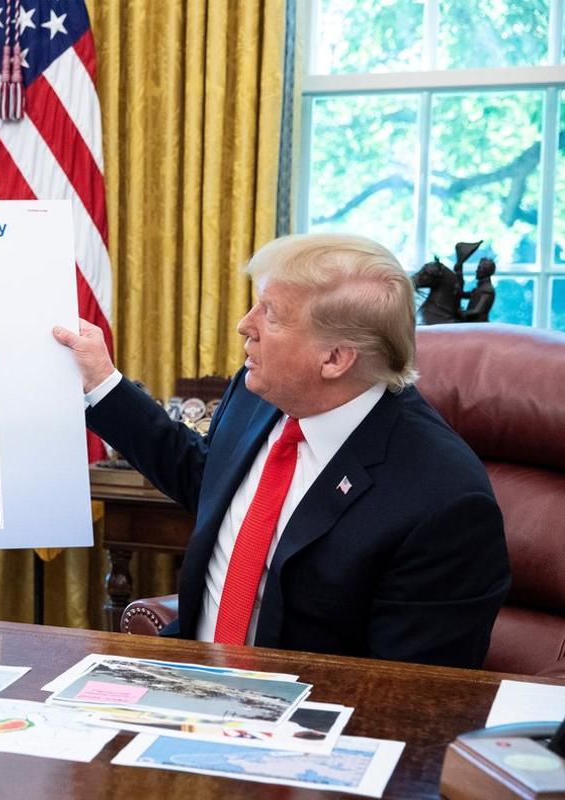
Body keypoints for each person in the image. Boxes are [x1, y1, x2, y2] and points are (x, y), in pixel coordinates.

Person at [53, 233, 510, 668]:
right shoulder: (260, 391)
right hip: (191, 683)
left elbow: (410, 694)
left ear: (335, 358)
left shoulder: (444, 500)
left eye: (270, 314)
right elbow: (207, 480)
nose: (244, 326)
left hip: (310, 723)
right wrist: (103, 383)